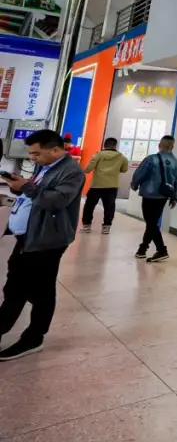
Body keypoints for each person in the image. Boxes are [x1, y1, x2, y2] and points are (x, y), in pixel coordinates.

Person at [0, 129, 85, 361]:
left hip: (47, 241)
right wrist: (20, 187)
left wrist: (26, 188)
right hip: (29, 237)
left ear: (55, 150)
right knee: (21, 285)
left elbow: (56, 201)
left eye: (36, 154)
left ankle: (33, 338)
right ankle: (22, 332)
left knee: (31, 289)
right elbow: (37, 194)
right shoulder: (46, 167)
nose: (32, 158)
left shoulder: (72, 171)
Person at [130, 135, 177, 263]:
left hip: (149, 195)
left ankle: (162, 250)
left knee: (151, 223)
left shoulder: (151, 159)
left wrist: (134, 184)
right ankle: (142, 249)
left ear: (160, 145)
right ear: (172, 146)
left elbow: (139, 174)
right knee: (152, 222)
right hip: (164, 196)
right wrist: (175, 197)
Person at [81, 137, 130, 233]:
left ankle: (86, 225)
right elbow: (124, 170)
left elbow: (88, 169)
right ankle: (106, 227)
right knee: (109, 206)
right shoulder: (122, 157)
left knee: (89, 205)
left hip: (97, 185)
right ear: (115, 146)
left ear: (104, 145)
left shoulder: (98, 155)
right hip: (112, 186)